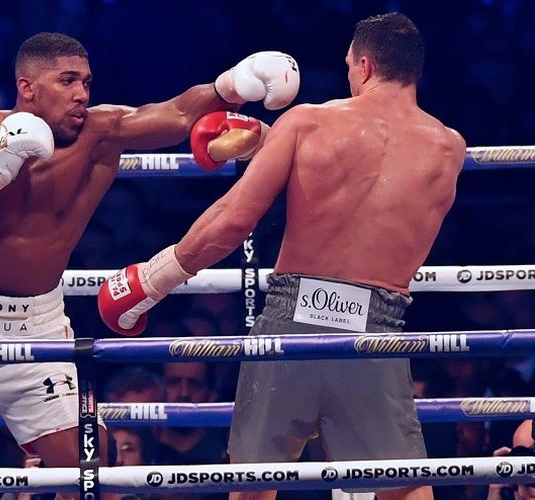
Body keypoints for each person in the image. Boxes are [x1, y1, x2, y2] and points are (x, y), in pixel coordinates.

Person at [0, 32, 299, 500]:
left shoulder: (99, 133)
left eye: (86, 81)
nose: (82, 93)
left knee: (91, 469)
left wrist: (232, 85)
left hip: (34, 328)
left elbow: (178, 113)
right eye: (67, 81)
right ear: (28, 87)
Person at [99, 13, 465, 500]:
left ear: (363, 65)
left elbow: (233, 219)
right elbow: (379, 193)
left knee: (252, 484)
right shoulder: (448, 148)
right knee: (402, 489)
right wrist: (274, 147)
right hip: (374, 329)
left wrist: (152, 279)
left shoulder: (310, 122)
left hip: (294, 318)